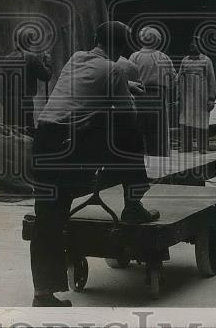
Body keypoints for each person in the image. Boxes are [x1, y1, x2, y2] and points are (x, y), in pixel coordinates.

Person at [29, 21, 160, 307]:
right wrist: (128, 91)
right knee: (129, 133)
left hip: (44, 141)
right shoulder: (113, 69)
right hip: (66, 147)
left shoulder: (76, 58)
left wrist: (124, 85)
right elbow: (127, 113)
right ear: (122, 48)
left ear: (95, 38)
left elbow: (88, 83)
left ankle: (43, 294)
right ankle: (133, 204)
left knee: (48, 217)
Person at [128, 26, 175, 156]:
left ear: (141, 39)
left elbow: (127, 76)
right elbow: (173, 78)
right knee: (159, 130)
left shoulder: (134, 56)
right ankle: (159, 157)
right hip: (158, 97)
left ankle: (140, 155)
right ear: (158, 41)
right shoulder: (164, 57)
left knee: (139, 128)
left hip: (139, 96)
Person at [2, 32, 53, 133]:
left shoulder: (7, 59)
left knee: (10, 134)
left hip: (9, 103)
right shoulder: (31, 58)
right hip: (24, 102)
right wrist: (48, 62)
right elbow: (46, 76)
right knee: (27, 133)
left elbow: (3, 85)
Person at [178, 40, 216, 153]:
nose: (192, 46)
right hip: (187, 99)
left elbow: (212, 80)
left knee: (202, 122)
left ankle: (202, 147)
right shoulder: (184, 60)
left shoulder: (206, 61)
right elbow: (179, 78)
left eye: (195, 44)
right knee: (185, 121)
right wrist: (178, 95)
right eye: (191, 44)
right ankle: (186, 147)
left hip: (202, 98)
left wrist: (211, 98)